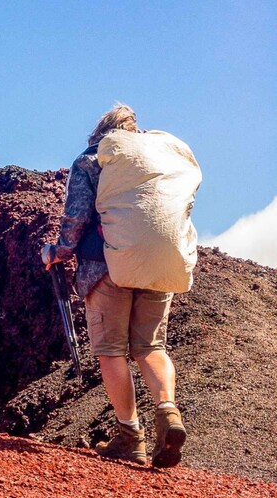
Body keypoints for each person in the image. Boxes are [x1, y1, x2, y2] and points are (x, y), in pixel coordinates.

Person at [41, 104, 195, 468]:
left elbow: (76, 216)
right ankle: (168, 411)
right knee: (150, 345)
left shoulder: (93, 160)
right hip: (162, 264)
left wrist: (57, 252)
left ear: (102, 133)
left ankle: (130, 437)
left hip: (106, 267)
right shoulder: (159, 162)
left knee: (111, 350)